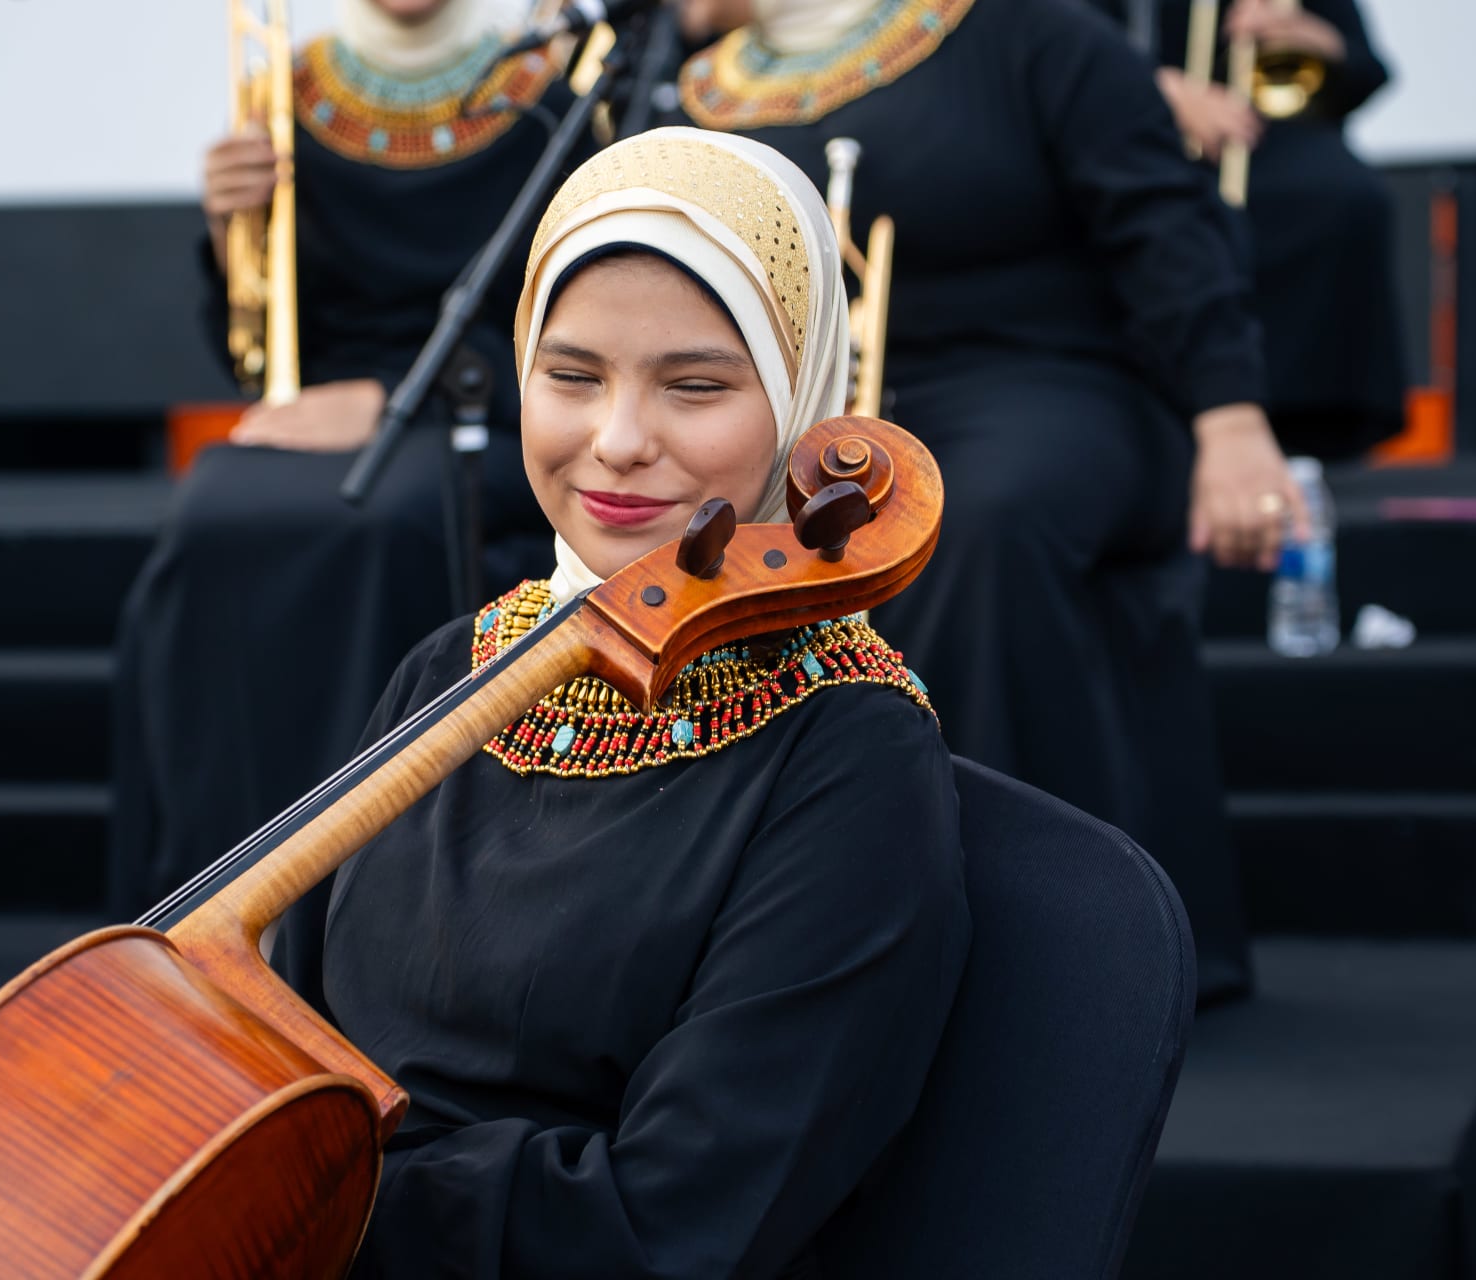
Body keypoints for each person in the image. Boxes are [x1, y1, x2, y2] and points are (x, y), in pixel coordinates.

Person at [275, 127, 970, 1278]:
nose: (619, 442)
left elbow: (668, 1226)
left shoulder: (853, 758)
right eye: (572, 375)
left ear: (801, 395)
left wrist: (301, 1214)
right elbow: (268, 1022)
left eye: (695, 385)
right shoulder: (457, 668)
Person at [670, 0, 1296, 1001]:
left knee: (971, 517)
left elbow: (1167, 229)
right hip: (818, 419)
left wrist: (1231, 418)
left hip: (1054, 387)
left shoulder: (1034, 33)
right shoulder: (682, 85)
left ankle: (1025, 943)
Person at [110, 0, 583, 912]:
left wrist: (390, 397)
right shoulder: (282, 91)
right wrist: (229, 228)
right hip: (330, 414)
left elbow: (561, 314)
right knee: (210, 511)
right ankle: (207, 899)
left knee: (377, 521)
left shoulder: (550, 93)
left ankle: (364, 893)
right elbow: (248, 345)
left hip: (484, 411)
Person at [1133, 0, 1406, 458]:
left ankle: (1314, 429)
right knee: (1177, 213)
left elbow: (1366, 71)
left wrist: (1316, 39)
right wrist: (1164, 89)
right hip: (1146, 127)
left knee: (1347, 197)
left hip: (1271, 132)